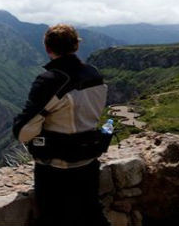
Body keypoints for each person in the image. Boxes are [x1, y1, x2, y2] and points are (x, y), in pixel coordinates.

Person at [12, 24, 110, 226]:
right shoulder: (94, 75)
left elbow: (23, 132)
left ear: (47, 48)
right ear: (76, 46)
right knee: (92, 216)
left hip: (57, 168)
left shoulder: (51, 80)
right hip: (89, 160)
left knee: (53, 219)